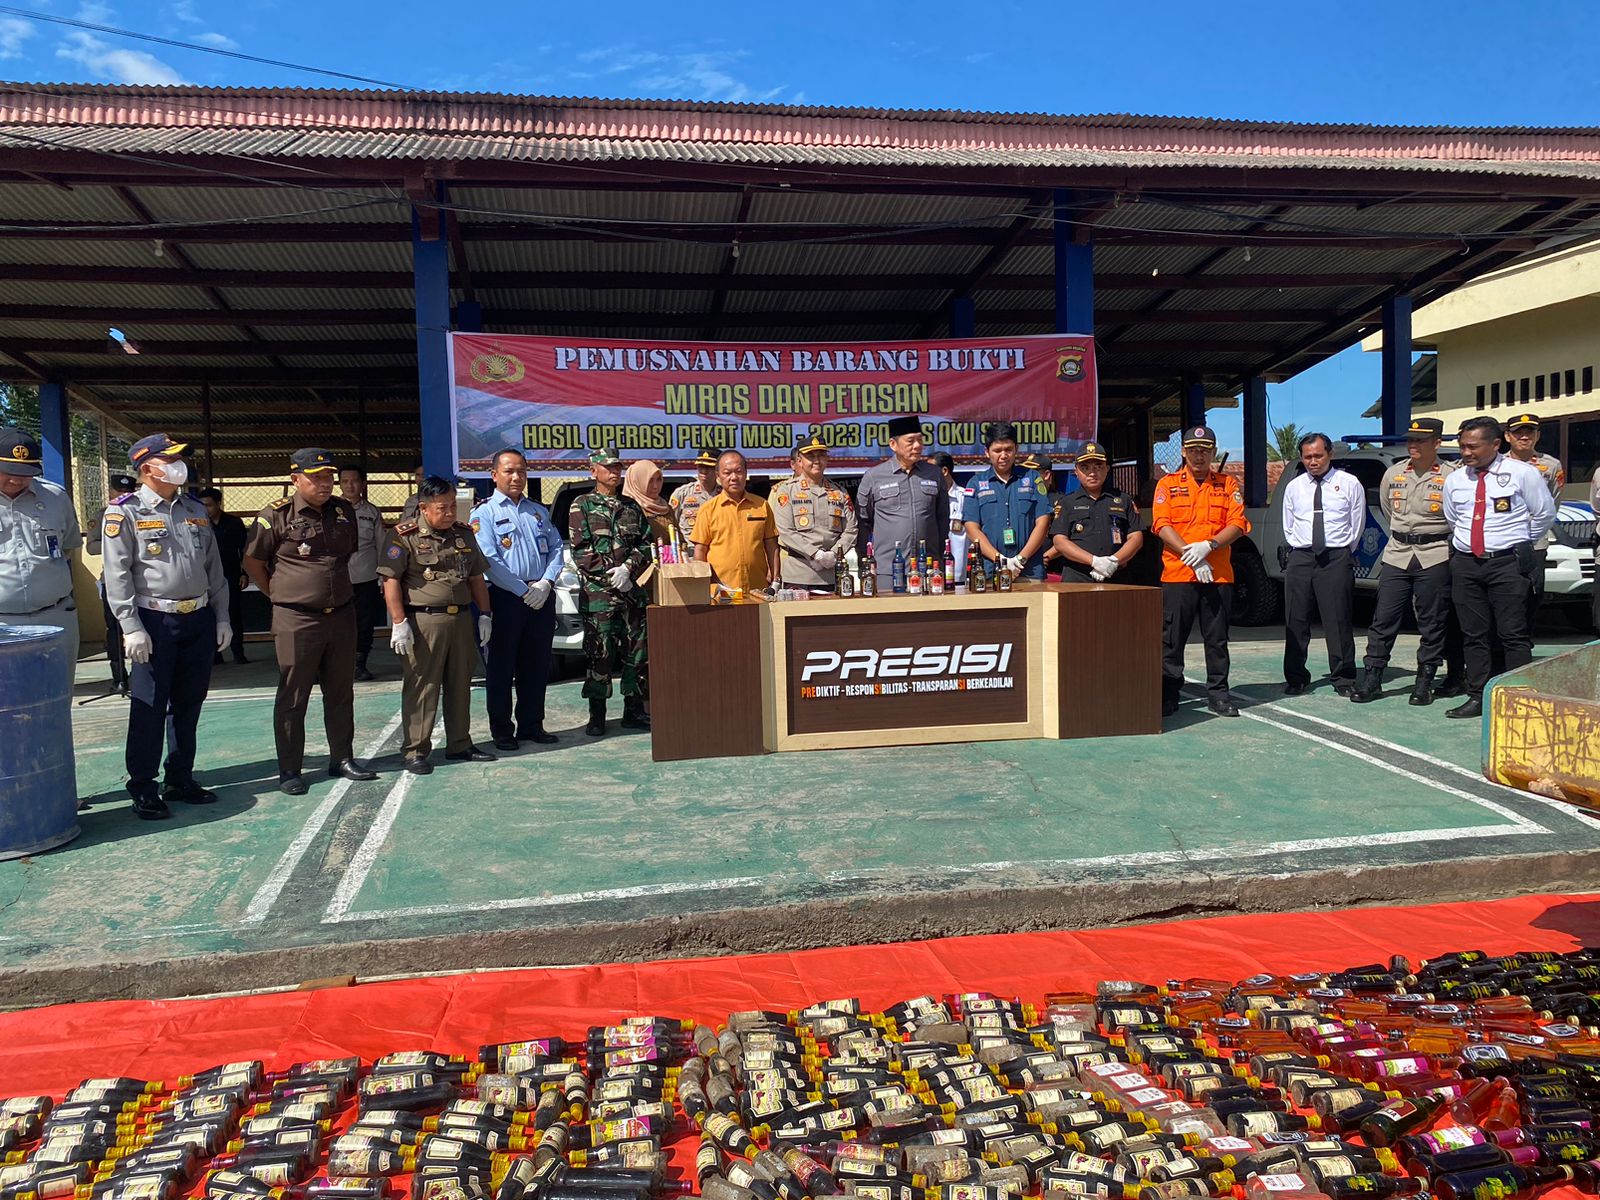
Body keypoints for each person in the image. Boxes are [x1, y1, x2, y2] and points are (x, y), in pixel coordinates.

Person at [101, 433, 230, 820]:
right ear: (147, 468)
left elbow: (214, 568)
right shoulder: (125, 513)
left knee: (189, 703)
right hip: (154, 620)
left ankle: (180, 777)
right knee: (150, 706)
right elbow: (117, 574)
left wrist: (222, 616)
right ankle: (143, 786)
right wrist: (131, 626)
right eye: (170, 460)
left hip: (198, 618)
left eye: (180, 460)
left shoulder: (194, 508)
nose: (179, 467)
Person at [243, 447, 377, 795]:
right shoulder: (276, 515)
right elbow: (253, 562)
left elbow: (344, 556)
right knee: (293, 695)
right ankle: (290, 769)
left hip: (341, 615)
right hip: (296, 619)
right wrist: (279, 594)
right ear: (295, 479)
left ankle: (342, 758)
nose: (324, 483)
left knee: (340, 692)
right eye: (316, 477)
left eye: (328, 477)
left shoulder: (343, 511)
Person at [1442, 416, 1556, 720]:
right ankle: (1478, 695)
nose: (1466, 452)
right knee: (1474, 633)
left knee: (1512, 633)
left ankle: (1519, 698)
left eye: (1473, 447)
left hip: (1507, 563)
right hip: (1467, 563)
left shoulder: (1522, 473)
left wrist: (1519, 541)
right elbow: (1453, 518)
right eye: (1463, 446)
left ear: (1495, 444)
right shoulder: (1455, 479)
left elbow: (1544, 513)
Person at [382, 476, 497, 774]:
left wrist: (485, 614)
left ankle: (460, 743)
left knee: (460, 683)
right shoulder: (403, 535)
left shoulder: (463, 533)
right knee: (423, 686)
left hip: (460, 619)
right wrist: (399, 622)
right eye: (442, 508)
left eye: (452, 506)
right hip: (424, 621)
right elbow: (391, 581)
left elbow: (476, 578)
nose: (449, 513)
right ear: (424, 507)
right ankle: (415, 750)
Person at [1353, 419, 1459, 706]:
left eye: (1420, 440)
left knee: (1432, 621)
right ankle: (1372, 679)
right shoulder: (1394, 473)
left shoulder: (1451, 476)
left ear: (1436, 443)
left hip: (1435, 553)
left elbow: (1456, 516)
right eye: (1411, 439)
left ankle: (1424, 682)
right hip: (1398, 553)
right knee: (1384, 618)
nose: (1413, 445)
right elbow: (1389, 510)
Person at [1151, 425, 1251, 719]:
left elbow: (1238, 524)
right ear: (1183, 452)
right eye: (1193, 450)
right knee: (1172, 639)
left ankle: (1219, 695)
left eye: (1204, 450)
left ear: (1213, 452)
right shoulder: (1167, 484)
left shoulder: (1227, 484)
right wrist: (1190, 555)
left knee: (1217, 639)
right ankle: (1168, 694)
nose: (1198, 456)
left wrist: (1209, 545)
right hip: (1178, 575)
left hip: (1217, 574)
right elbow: (1161, 525)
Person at [473, 448, 563, 750]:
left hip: (541, 595)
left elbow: (556, 548)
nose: (516, 477)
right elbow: (489, 559)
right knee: (501, 666)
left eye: (521, 471)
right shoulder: (483, 513)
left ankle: (531, 725)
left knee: (536, 664)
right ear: (494, 475)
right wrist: (523, 591)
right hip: (505, 598)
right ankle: (502, 730)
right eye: (509, 471)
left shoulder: (538, 511)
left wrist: (546, 582)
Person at [568, 446, 653, 737]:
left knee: (637, 654)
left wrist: (628, 570)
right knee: (600, 655)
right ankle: (597, 715)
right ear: (594, 471)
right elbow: (581, 551)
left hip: (630, 595)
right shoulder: (582, 505)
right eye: (609, 467)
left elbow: (646, 544)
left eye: (618, 467)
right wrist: (611, 575)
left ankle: (634, 711)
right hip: (599, 597)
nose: (615, 472)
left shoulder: (631, 506)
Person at [1280, 432, 1364, 696]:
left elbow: (1357, 523)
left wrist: (1342, 551)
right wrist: (1300, 548)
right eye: (1307, 457)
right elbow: (1288, 524)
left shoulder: (1349, 483)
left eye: (1318, 455)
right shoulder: (1294, 487)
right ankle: (1296, 677)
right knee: (1296, 619)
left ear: (1330, 454)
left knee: (1337, 619)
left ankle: (1343, 677)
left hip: (1335, 557)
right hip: (1301, 557)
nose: (1313, 461)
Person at [0, 425, 82, 689]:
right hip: (3, 624)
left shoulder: (55, 498)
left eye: (26, 473)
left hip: (55, 618)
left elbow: (68, 547)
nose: (17, 480)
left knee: (57, 697)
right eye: (9, 471)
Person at [856, 415, 949, 588]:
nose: (917, 446)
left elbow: (942, 518)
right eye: (911, 441)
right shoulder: (874, 477)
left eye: (920, 440)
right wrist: (865, 561)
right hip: (888, 570)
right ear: (893, 444)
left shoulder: (933, 474)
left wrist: (940, 558)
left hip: (928, 568)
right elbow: (862, 522)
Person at [963, 421, 1052, 581]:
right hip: (990, 572)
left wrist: (1020, 559)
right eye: (997, 450)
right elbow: (971, 528)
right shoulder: (975, 483)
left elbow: (1043, 522)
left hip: (1029, 571)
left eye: (1008, 449)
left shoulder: (1032, 478)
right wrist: (1001, 561)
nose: (1003, 455)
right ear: (987, 452)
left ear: (1016, 449)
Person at [770, 434, 857, 593]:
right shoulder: (787, 491)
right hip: (798, 575)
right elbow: (786, 531)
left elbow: (851, 530)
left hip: (832, 574)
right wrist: (815, 554)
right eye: (810, 456)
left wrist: (833, 554)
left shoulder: (839, 492)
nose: (817, 460)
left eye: (821, 455)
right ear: (799, 461)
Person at [1503, 413, 1565, 635]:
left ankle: (1524, 639)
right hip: (1503, 540)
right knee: (1503, 594)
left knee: (1532, 592)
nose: (1524, 437)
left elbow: (1553, 503)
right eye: (1518, 432)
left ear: (1537, 435)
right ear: (1507, 436)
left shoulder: (1551, 465)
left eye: (1529, 432)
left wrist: (1534, 533)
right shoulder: (1496, 464)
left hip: (1534, 541)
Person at [1049, 441, 1143, 584]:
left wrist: (1113, 561)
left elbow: (1136, 537)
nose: (1092, 473)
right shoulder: (1066, 503)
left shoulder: (1123, 500)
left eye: (1098, 467)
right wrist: (1094, 561)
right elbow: (1060, 542)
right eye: (1085, 468)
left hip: (1116, 577)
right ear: (1076, 472)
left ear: (1107, 469)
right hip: (1077, 578)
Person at [692, 450, 779, 592]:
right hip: (720, 591)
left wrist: (776, 579)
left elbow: (771, 546)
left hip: (757, 589)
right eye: (727, 473)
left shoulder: (762, 505)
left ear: (746, 473)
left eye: (738, 471)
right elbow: (700, 550)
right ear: (718, 476)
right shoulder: (707, 510)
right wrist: (703, 583)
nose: (733, 478)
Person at [338, 466, 385, 681]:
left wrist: (384, 576)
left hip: (365, 576)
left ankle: (359, 663)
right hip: (338, 578)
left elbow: (381, 544)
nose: (350, 485)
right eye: (345, 481)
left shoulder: (372, 512)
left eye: (354, 481)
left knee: (364, 623)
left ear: (363, 484)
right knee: (337, 623)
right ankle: (335, 665)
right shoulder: (330, 509)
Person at [197, 487, 249, 665]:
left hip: (230, 574)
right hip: (205, 576)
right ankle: (215, 655)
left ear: (219, 504)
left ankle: (238, 653)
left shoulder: (233, 523)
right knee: (208, 615)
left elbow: (244, 549)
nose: (206, 509)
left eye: (209, 505)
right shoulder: (197, 524)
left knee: (233, 613)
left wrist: (244, 573)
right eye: (202, 506)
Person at [668, 449, 720, 547]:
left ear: (718, 469)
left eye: (709, 467)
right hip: (690, 549)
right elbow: (671, 524)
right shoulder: (682, 493)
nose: (704, 471)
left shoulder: (725, 495)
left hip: (716, 548)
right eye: (701, 466)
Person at [931, 452, 967, 584]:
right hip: (931, 575)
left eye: (931, 471)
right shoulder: (925, 500)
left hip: (958, 576)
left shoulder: (965, 498)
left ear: (944, 471)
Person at [624, 460, 675, 546]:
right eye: (650, 481)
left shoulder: (666, 508)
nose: (655, 486)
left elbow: (679, 539)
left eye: (658, 480)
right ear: (637, 482)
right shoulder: (627, 509)